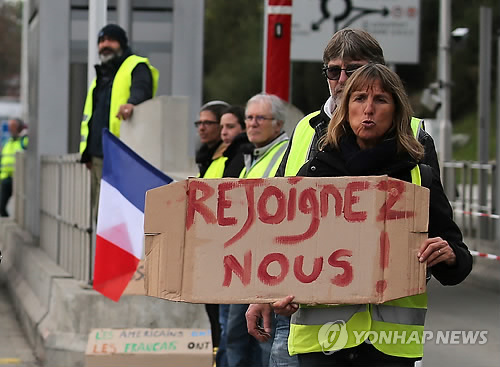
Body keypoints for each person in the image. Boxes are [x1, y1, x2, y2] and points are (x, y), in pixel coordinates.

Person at [246, 28, 440, 367]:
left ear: (378, 72)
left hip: (384, 326)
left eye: (354, 69)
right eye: (334, 71)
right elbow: (277, 217)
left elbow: (432, 220)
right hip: (304, 309)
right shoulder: (306, 128)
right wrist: (262, 290)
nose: (342, 78)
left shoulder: (415, 131)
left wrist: (414, 267)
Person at [271, 63, 473, 366]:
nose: (368, 109)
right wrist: (275, 296)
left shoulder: (418, 176)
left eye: (380, 100)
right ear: (345, 108)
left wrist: (449, 256)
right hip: (322, 344)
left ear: (396, 111)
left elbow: (457, 257)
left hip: (390, 348)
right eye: (359, 99)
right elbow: (280, 251)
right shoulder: (315, 175)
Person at [225, 93, 289, 367]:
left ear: (278, 124)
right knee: (236, 339)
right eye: (249, 118)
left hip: (269, 267)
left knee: (264, 344)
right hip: (245, 265)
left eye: (260, 118)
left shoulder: (284, 153)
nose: (252, 124)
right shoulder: (254, 156)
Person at [79, 23, 159, 224]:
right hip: (99, 157)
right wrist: (87, 152)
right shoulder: (101, 78)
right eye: (102, 41)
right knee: (101, 218)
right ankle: (100, 256)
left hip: (123, 155)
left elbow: (141, 90)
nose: (105, 45)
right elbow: (92, 118)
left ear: (122, 44)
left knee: (118, 220)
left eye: (111, 40)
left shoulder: (136, 65)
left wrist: (132, 103)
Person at [0, 118, 28, 217]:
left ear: (19, 128)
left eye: (13, 127)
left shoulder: (23, 141)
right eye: (9, 127)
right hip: (6, 179)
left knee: (22, 206)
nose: (10, 130)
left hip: (19, 178)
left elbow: (29, 145)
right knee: (1, 207)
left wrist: (25, 134)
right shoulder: (7, 143)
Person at [195, 100, 230, 178]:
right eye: (199, 123)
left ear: (222, 125)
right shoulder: (205, 158)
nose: (201, 128)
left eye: (207, 123)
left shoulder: (229, 157)